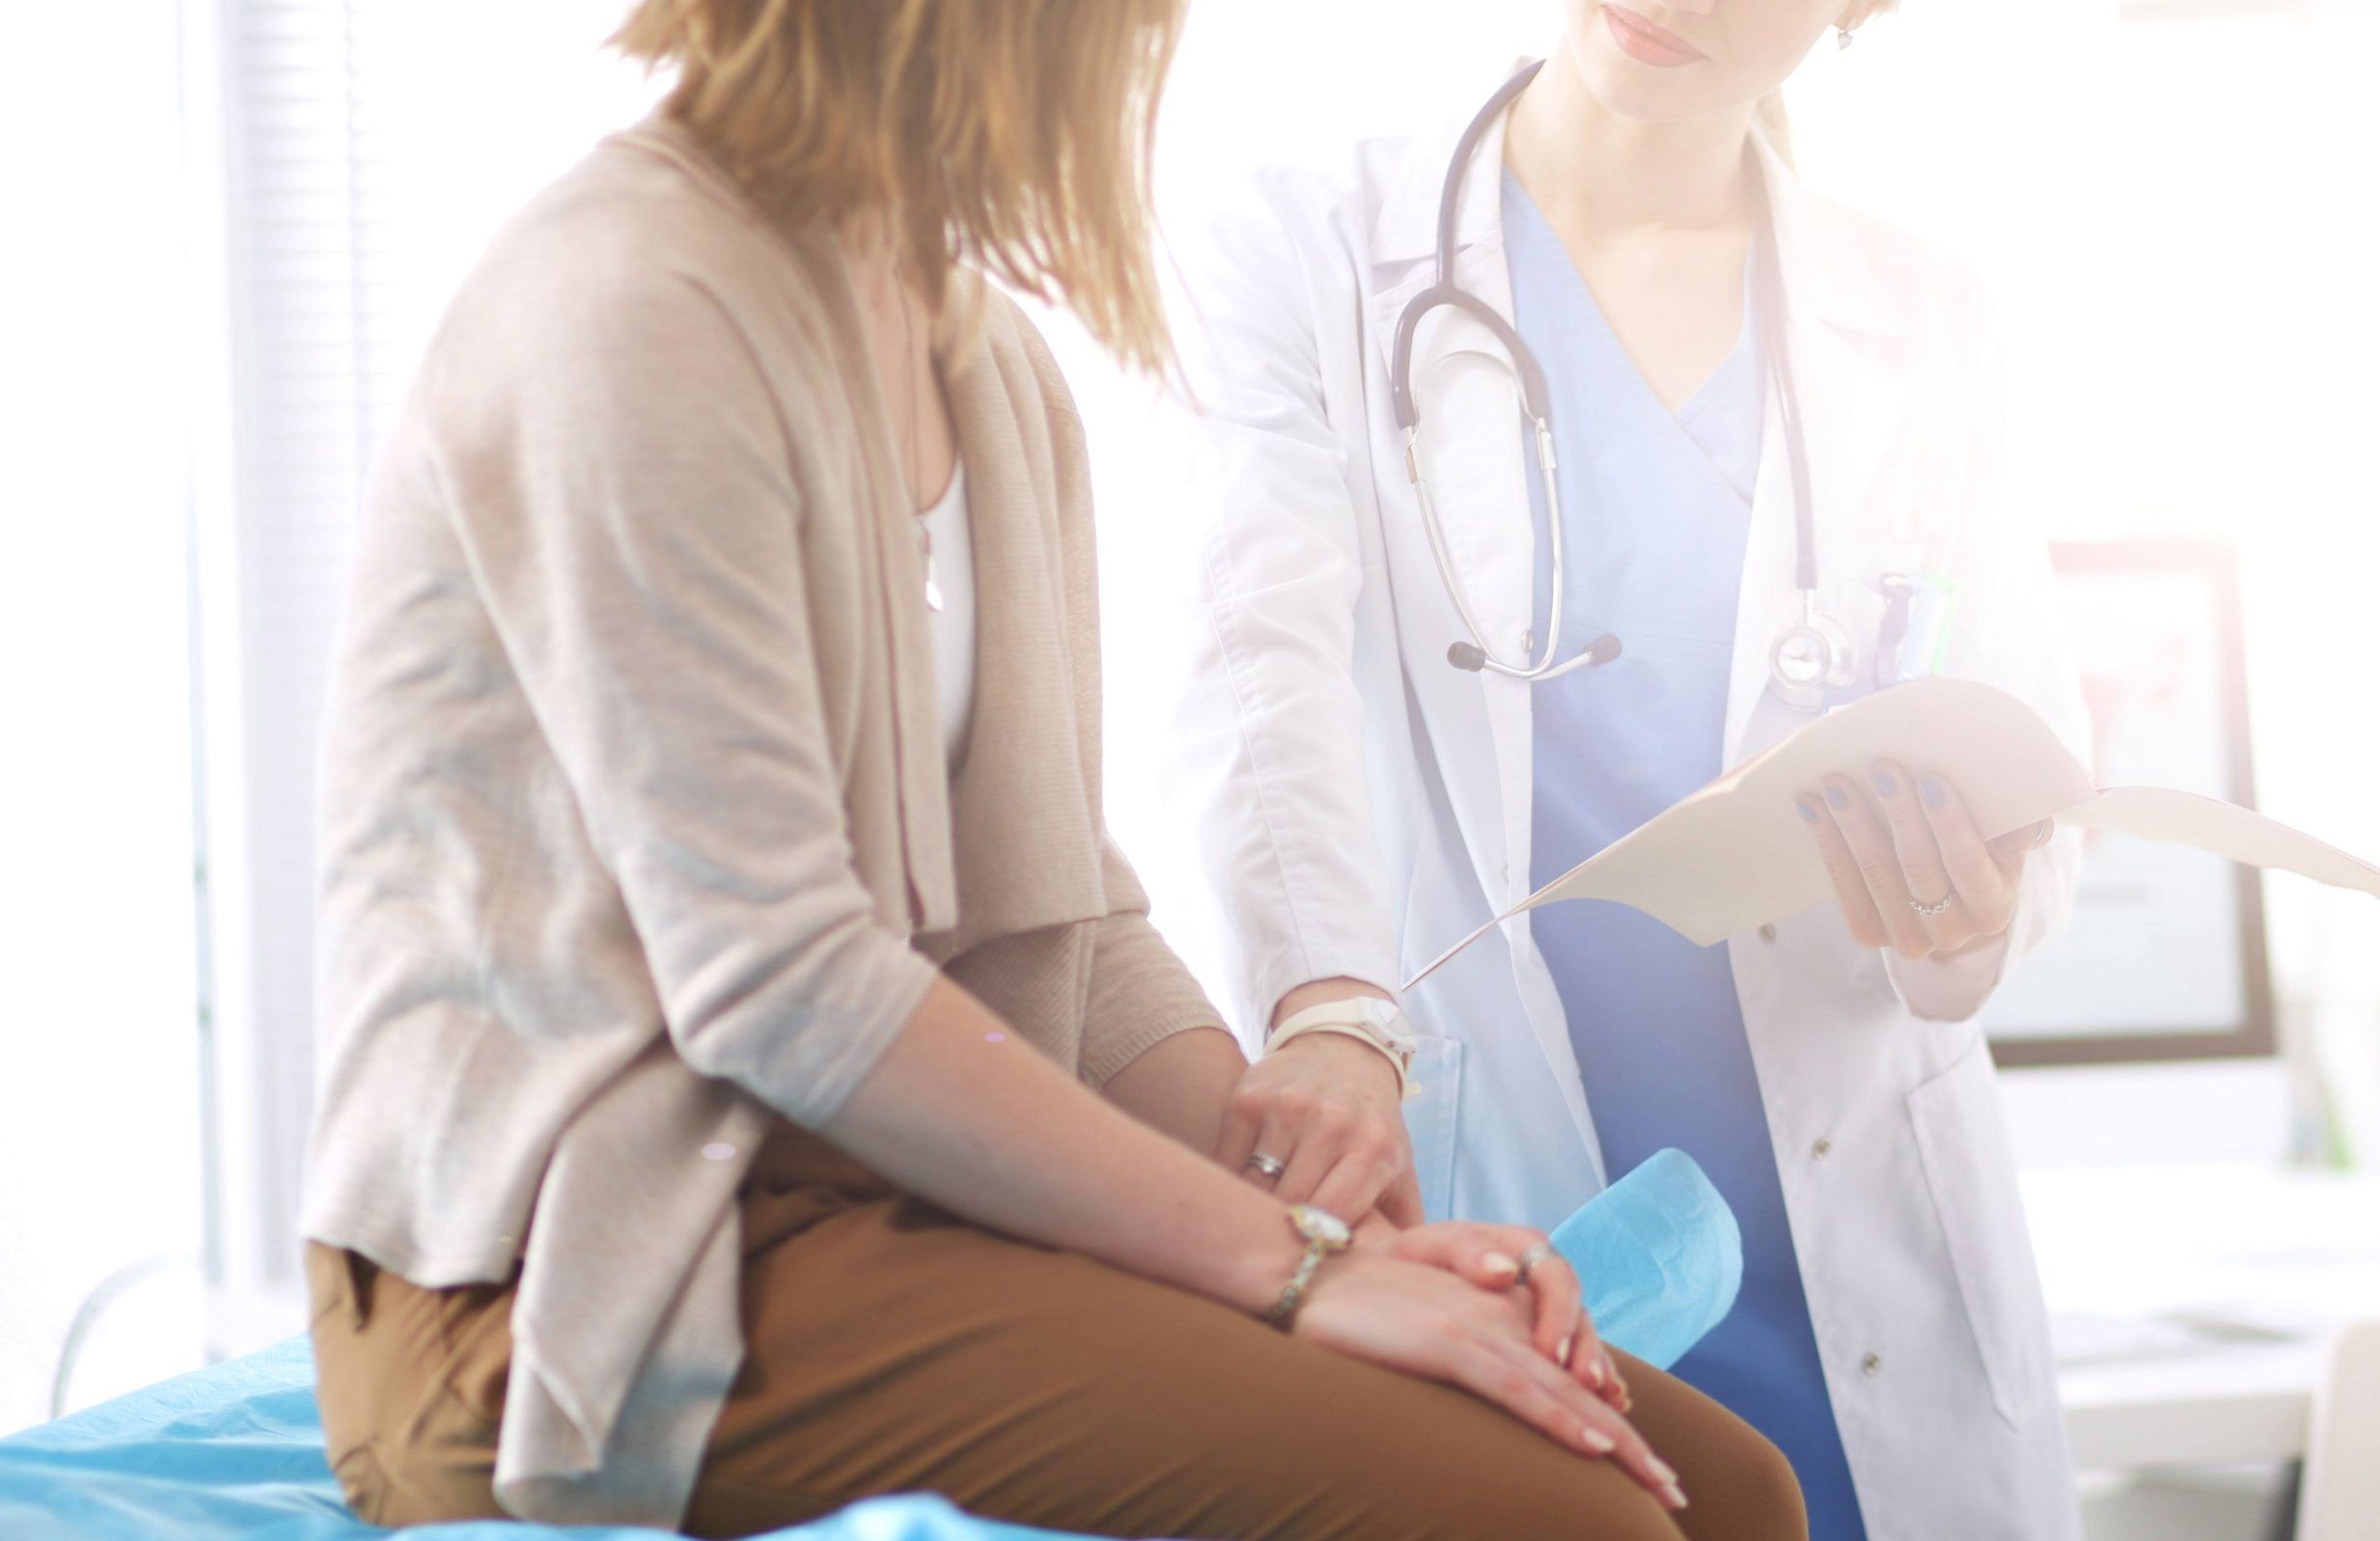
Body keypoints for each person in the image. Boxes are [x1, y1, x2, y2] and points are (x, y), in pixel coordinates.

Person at [293, 2, 1807, 1539]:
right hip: (582, 1278)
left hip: (864, 1210)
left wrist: (1316, 1208)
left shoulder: (985, 360)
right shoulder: (634, 306)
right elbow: (779, 978)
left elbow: (1071, 913)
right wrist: (1292, 1270)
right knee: (1577, 1521)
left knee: (1730, 1490)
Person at [1171, 3, 2093, 1537]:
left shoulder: (1926, 317)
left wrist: (1971, 907)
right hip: (1522, 1208)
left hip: (1858, 1248)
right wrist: (1327, 1001)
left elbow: (2033, 765)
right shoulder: (1308, 249)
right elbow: (1247, 667)